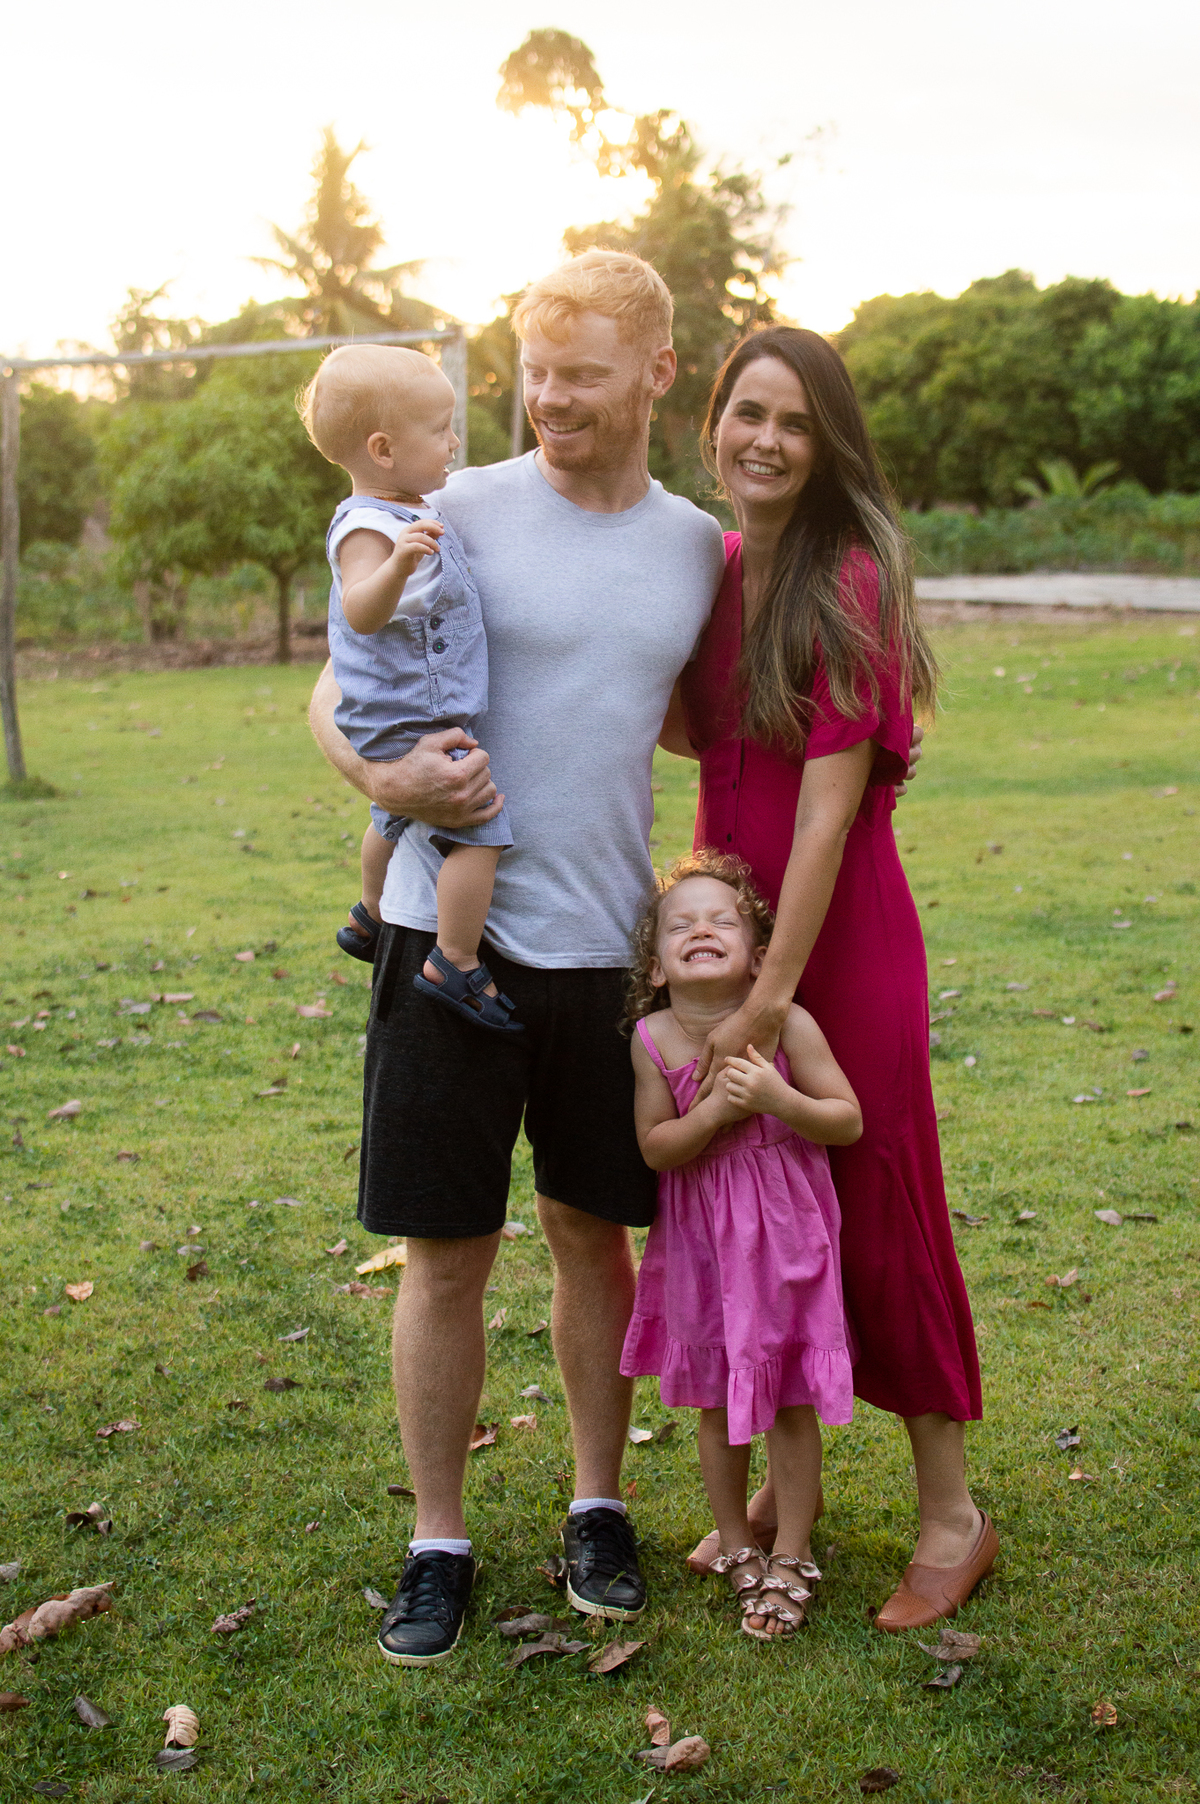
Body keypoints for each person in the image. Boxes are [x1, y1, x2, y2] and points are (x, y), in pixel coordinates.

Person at [308, 251, 728, 1664]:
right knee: (448, 1250)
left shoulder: (691, 546)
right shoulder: (456, 504)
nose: (552, 399)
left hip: (604, 953)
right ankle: (438, 1540)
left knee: (592, 1237)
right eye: (537, 373)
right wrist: (384, 786)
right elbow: (333, 680)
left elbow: (684, 713)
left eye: (585, 375)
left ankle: (597, 1503)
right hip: (446, 932)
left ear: (656, 375)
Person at [667, 325, 998, 1633]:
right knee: (754, 1212)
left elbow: (821, 819)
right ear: (711, 426)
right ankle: (770, 1502)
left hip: (838, 947)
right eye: (747, 413)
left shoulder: (847, 575)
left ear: (829, 446)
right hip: (732, 936)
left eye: (796, 423)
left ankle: (951, 1516)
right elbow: (686, 727)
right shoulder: (712, 572)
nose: (766, 440)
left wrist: (767, 999)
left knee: (877, 1207)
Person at [620, 852, 861, 1640]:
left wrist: (776, 1098)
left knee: (789, 1396)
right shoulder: (652, 1038)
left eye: (722, 919)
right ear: (655, 966)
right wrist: (715, 1116)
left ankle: (791, 1550)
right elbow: (656, 1147)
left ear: (759, 954)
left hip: (784, 1236)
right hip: (699, 1247)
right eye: (679, 924)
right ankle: (734, 1542)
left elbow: (845, 1119)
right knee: (716, 1396)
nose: (701, 930)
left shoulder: (787, 1024)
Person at [298, 344, 520, 1033]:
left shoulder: (405, 508)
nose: (454, 441)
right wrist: (396, 564)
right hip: (407, 713)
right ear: (384, 449)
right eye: (440, 428)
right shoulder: (367, 525)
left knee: (389, 820)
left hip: (404, 711)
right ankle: (453, 959)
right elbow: (362, 610)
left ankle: (368, 913)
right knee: (479, 832)